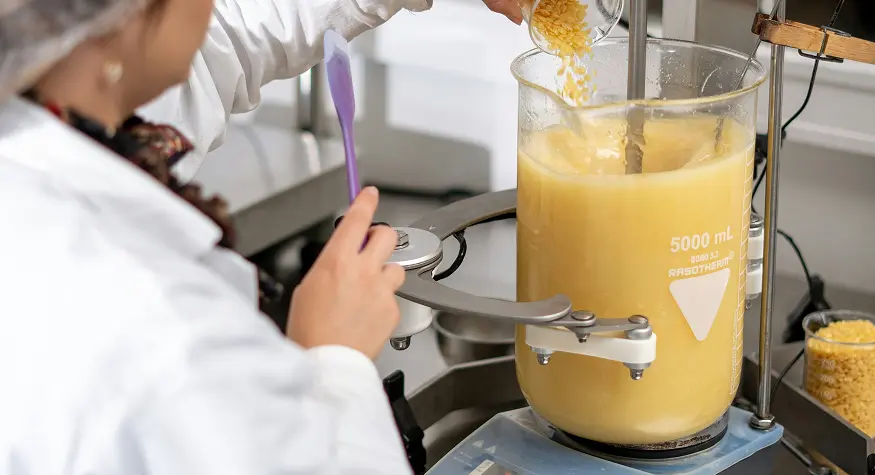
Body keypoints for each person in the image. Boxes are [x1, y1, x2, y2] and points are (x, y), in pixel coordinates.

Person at [0, 0, 521, 474]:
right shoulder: (165, 325)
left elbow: (222, 39)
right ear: (118, 22)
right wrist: (333, 357)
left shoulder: (51, 97)